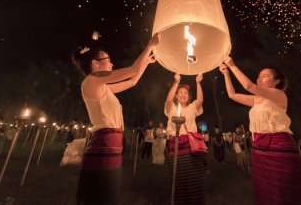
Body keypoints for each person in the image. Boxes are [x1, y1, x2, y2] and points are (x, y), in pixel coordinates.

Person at [72, 34, 159, 205]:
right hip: (102, 145)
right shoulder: (91, 81)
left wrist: (146, 63)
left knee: (106, 194)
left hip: (111, 144)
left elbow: (132, 81)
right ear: (95, 64)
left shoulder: (103, 87)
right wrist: (149, 45)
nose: (112, 63)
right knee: (100, 195)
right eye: (108, 59)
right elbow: (132, 70)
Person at [220, 58, 301, 205]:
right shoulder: (257, 100)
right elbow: (232, 95)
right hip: (259, 148)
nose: (260, 79)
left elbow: (249, 86)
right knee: (265, 192)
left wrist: (232, 66)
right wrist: (226, 74)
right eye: (259, 76)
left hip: (278, 147)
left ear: (276, 82)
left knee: (283, 192)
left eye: (265, 76)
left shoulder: (279, 95)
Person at [165, 73, 205, 205]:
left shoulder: (193, 107)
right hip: (175, 146)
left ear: (189, 96)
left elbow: (200, 100)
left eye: (186, 93)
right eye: (180, 93)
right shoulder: (172, 108)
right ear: (176, 95)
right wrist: (176, 82)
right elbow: (168, 100)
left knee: (194, 179)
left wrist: (198, 82)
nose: (183, 94)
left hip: (191, 148)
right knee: (178, 180)